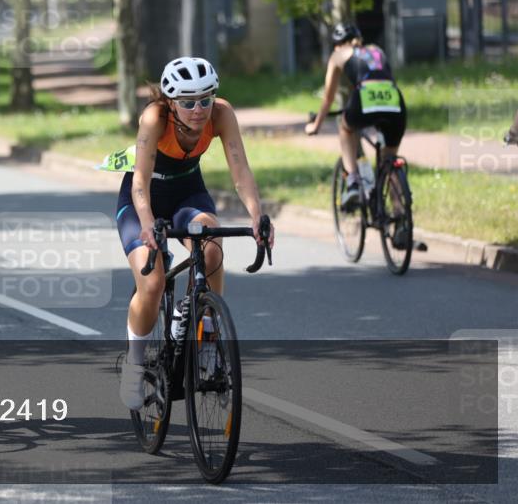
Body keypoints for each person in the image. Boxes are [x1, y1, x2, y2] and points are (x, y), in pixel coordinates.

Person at [116, 56, 273, 410]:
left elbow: (240, 169)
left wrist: (257, 217)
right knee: (153, 282)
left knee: (212, 249)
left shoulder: (222, 114)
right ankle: (135, 364)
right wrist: (146, 224)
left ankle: (206, 338)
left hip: (188, 193)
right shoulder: (154, 118)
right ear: (171, 102)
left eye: (205, 99)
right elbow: (139, 181)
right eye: (187, 102)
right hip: (142, 200)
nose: (198, 110)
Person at [305, 23, 407, 210]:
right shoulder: (376, 50)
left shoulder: (338, 54)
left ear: (338, 44)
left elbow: (328, 98)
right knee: (389, 161)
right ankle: (401, 218)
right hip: (395, 100)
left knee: (345, 128)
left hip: (365, 97)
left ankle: (352, 181)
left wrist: (315, 126)